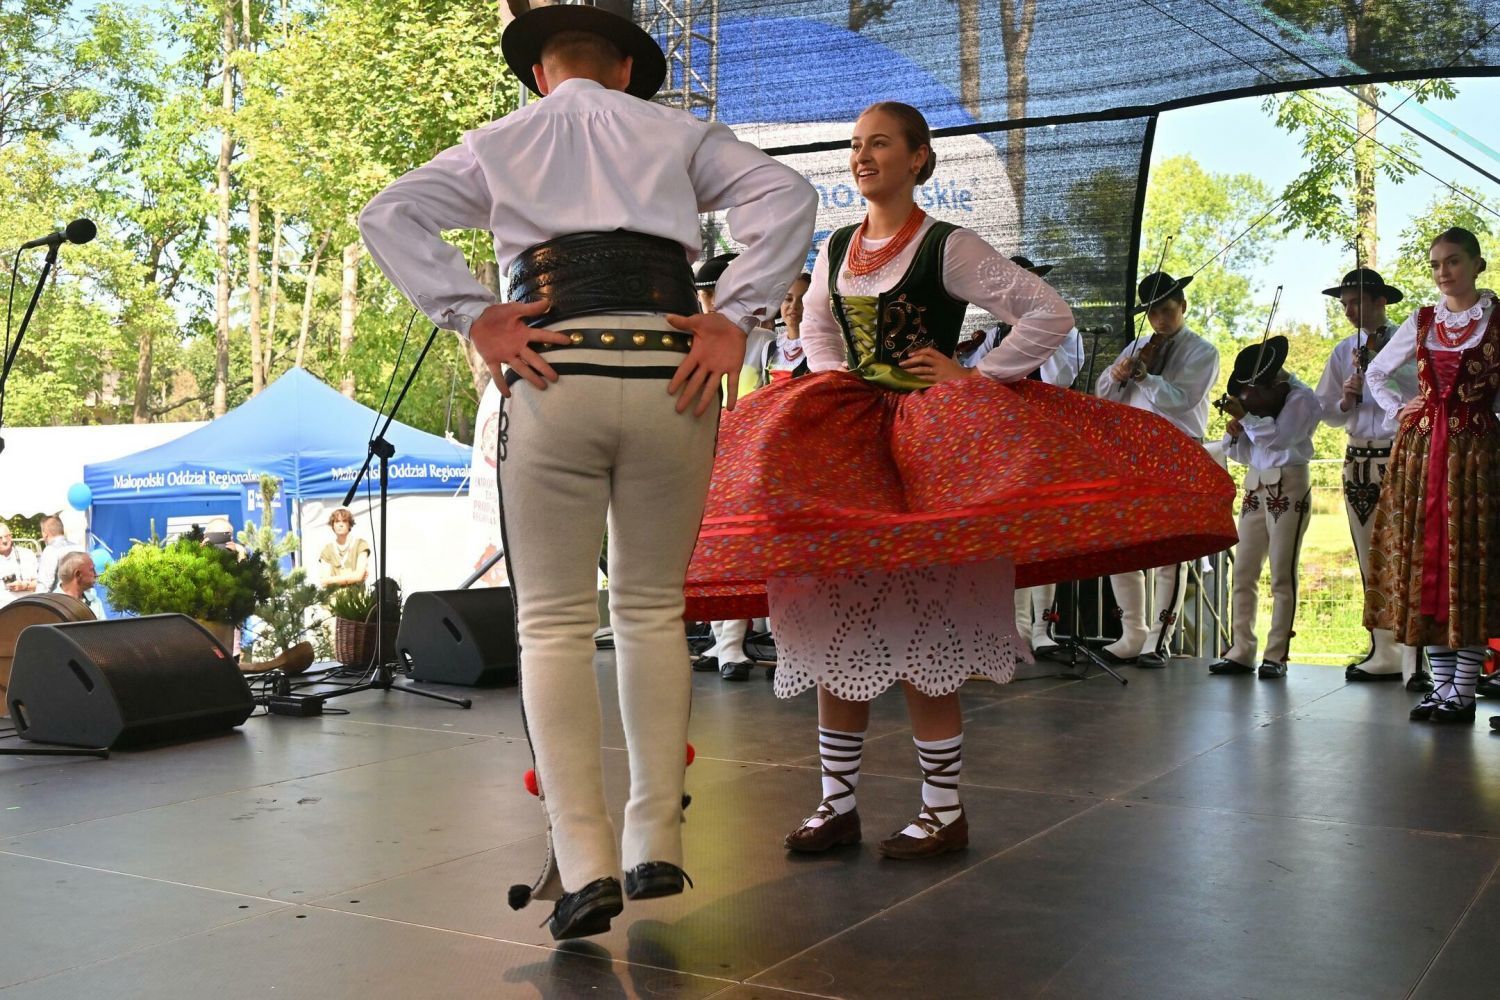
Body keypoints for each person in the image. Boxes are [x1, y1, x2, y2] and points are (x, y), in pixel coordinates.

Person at [359, 0, 816, 940]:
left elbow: (388, 214)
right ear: (624, 71)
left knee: (553, 624)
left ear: (539, 74)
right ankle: (657, 841)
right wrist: (735, 315)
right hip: (671, 374)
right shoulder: (678, 132)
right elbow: (787, 198)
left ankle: (585, 861)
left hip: (552, 369)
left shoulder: (501, 140)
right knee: (650, 609)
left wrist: (471, 312)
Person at [685, 101, 1234, 860]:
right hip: (849, 444)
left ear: (918, 158)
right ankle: (837, 804)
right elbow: (817, 324)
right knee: (837, 616)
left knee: (925, 626)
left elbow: (1047, 314)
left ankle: (943, 810)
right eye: (857, 145)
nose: (862, 156)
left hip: (927, 447)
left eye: (880, 144)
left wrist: (974, 377)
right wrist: (839, 379)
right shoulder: (837, 246)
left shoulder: (948, 244)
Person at [1364, 227, 1500, 726]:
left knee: (1468, 564)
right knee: (1426, 562)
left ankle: (1463, 692)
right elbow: (1376, 373)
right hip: (1421, 455)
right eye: (1437, 264)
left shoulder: (1497, 320)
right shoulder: (1423, 321)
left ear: (1477, 264)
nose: (1444, 272)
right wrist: (1401, 408)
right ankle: (1443, 689)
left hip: (1475, 457)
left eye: (1454, 261)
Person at [960, 254, 1085, 659]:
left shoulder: (1063, 330)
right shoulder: (994, 335)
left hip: (1043, 437)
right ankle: (1012, 628)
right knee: (1007, 537)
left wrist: (1026, 341)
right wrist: (968, 355)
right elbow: (972, 384)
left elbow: (1062, 377)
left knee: (1042, 534)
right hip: (1003, 442)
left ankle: (1044, 628)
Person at [1096, 273, 1221, 667]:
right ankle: (1132, 632)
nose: (1160, 320)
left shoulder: (1203, 351)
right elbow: (1103, 394)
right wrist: (1116, 374)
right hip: (1132, 452)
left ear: (1183, 306)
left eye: (1167, 310)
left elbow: (1181, 401)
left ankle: (1159, 638)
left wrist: (1145, 377)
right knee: (1123, 545)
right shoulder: (1137, 347)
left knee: (1171, 549)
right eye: (1152, 313)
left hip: (1176, 450)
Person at [1313, 268, 1429, 689]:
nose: (1348, 311)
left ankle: (1416, 655)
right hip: (1357, 457)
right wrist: (1346, 399)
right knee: (1368, 556)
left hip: (1400, 452)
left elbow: (1423, 393)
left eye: (1356, 302)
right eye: (1344, 304)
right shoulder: (1344, 350)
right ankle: (1383, 649)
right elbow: (1324, 410)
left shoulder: (1409, 342)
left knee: (1407, 552)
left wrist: (1383, 377)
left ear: (1381, 301)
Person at [1207, 337, 1321, 679]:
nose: (1252, 393)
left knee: (1282, 572)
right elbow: (1243, 453)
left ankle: (1276, 654)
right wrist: (1237, 431)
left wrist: (1248, 419)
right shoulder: (1260, 404)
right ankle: (1241, 649)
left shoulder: (1301, 398)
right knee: (1243, 571)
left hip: (1289, 482)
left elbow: (1280, 439)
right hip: (1255, 483)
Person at [318, 508, 370, 588]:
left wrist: (330, 580)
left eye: (344, 521)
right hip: (335, 595)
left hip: (356, 595)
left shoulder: (360, 544)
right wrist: (353, 577)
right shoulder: (327, 550)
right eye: (337, 521)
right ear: (333, 525)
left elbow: (358, 576)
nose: (341, 524)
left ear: (350, 524)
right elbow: (324, 582)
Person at [33, 515, 83, 595]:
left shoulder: (50, 550)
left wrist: (36, 601)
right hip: (81, 599)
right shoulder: (79, 548)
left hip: (59, 600)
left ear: (45, 533)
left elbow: (45, 585)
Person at [55, 550, 104, 618]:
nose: (96, 574)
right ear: (78, 574)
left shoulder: (95, 602)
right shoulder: (51, 604)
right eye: (92, 569)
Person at [0, 526, 38, 609]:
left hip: (28, 606)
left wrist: (24, 586)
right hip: (3, 610)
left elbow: (41, 584)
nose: (4, 541)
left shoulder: (27, 554)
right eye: (0, 538)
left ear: (11, 536)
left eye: (6, 536)